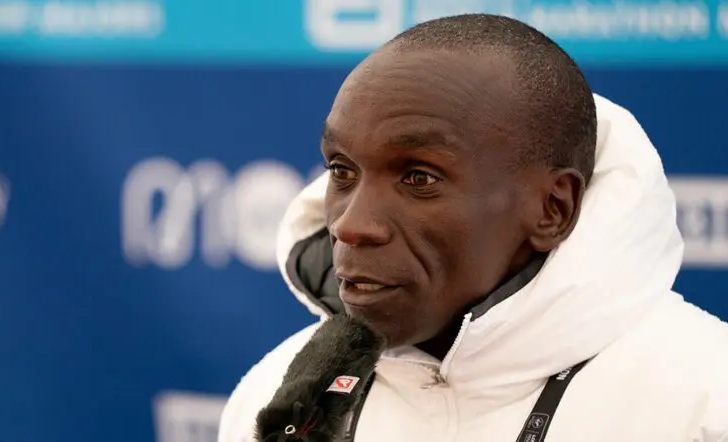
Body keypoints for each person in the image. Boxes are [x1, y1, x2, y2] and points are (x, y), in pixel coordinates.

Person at [218, 13, 728, 442]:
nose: (351, 226)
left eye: (419, 178)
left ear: (552, 209)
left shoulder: (705, 399)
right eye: (341, 170)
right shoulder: (277, 396)